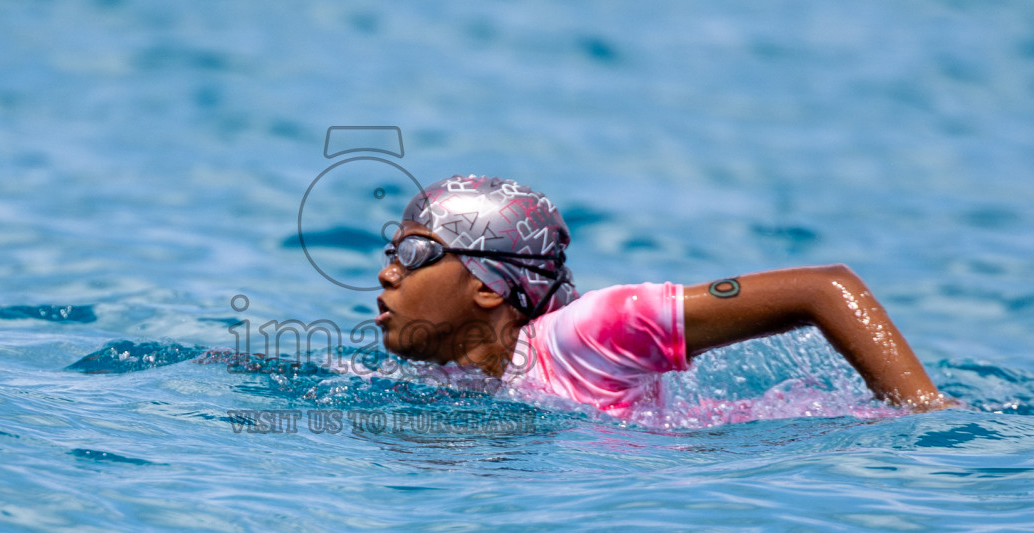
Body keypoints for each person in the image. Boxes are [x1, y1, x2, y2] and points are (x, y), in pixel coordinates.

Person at [374, 174, 951, 416]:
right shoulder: (446, 377)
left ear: (487, 285)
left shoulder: (589, 332)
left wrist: (922, 416)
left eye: (414, 254)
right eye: (389, 251)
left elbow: (826, 288)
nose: (387, 274)